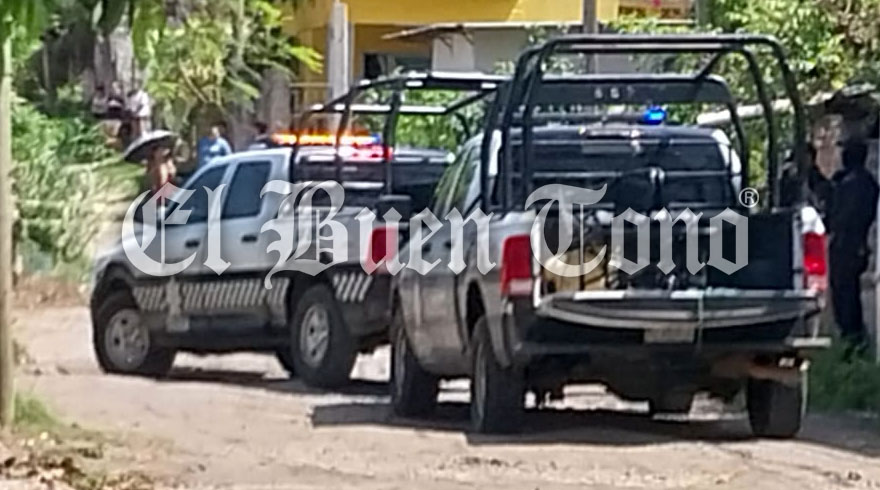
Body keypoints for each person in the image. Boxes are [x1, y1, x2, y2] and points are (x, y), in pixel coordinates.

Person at [827, 140, 879, 354]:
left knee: (845, 294)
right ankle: (853, 339)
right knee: (847, 292)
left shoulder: (853, 183)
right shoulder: (865, 182)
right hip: (853, 245)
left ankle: (853, 339)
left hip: (847, 245)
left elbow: (842, 216)